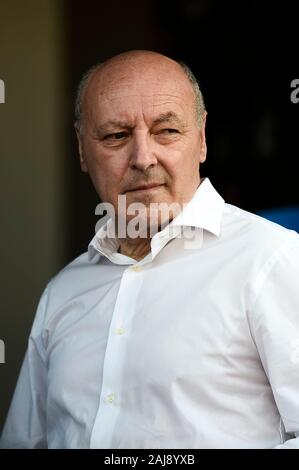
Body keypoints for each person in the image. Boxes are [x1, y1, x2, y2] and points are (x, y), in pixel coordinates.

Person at [1, 50, 299, 449]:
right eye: (115, 136)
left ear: (202, 139)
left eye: (167, 131)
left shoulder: (273, 259)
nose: (143, 158)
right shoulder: (63, 292)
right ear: (81, 150)